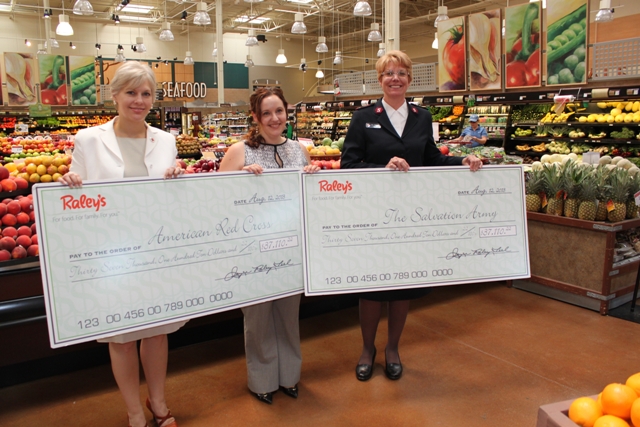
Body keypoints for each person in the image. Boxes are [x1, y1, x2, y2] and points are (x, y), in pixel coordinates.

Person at [340, 50, 483, 382]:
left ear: (409, 79)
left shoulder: (422, 116)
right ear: (380, 80)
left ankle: (392, 349)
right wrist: (383, 167)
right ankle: (367, 349)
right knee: (372, 287)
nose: (395, 78)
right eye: (389, 73)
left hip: (412, 214)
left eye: (401, 73)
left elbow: (432, 158)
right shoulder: (363, 117)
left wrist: (461, 160)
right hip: (374, 215)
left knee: (403, 285)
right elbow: (349, 164)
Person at [58, 61, 184, 427]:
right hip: (112, 254)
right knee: (122, 336)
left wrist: (177, 178)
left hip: (156, 248)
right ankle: (134, 412)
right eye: (131, 92)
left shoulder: (166, 140)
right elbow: (79, 189)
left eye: (146, 93)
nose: (139, 100)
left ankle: (158, 402)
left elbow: (171, 197)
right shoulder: (88, 139)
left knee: (157, 332)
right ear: (114, 95)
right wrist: (70, 182)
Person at [218, 87, 320, 404]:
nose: (274, 118)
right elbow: (216, 197)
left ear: (286, 113)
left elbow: (307, 199)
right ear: (255, 117)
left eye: (279, 111)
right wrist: (239, 178)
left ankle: (289, 376)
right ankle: (261, 379)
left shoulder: (299, 150)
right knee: (258, 319)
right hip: (253, 250)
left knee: (288, 316)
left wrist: (312, 178)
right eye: (266, 113)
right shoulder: (240, 151)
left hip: (290, 246)